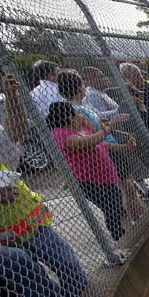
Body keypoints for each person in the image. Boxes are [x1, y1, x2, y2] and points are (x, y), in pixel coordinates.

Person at [0, 75, 74, 297]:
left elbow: (12, 131)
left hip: (21, 222)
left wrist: (12, 97)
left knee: (33, 267)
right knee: (19, 263)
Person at [57, 70, 144, 223]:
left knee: (128, 186)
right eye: (82, 83)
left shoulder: (82, 107)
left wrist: (103, 123)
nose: (85, 86)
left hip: (110, 147)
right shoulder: (77, 111)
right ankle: (135, 218)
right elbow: (95, 134)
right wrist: (112, 123)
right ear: (79, 87)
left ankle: (137, 216)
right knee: (127, 187)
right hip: (108, 149)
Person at [47, 101, 128, 241]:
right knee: (112, 206)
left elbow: (101, 144)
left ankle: (118, 232)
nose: (80, 115)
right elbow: (88, 142)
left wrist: (124, 147)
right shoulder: (60, 133)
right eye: (76, 113)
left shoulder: (77, 129)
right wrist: (109, 128)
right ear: (69, 117)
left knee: (115, 204)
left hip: (105, 177)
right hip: (89, 180)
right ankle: (117, 235)